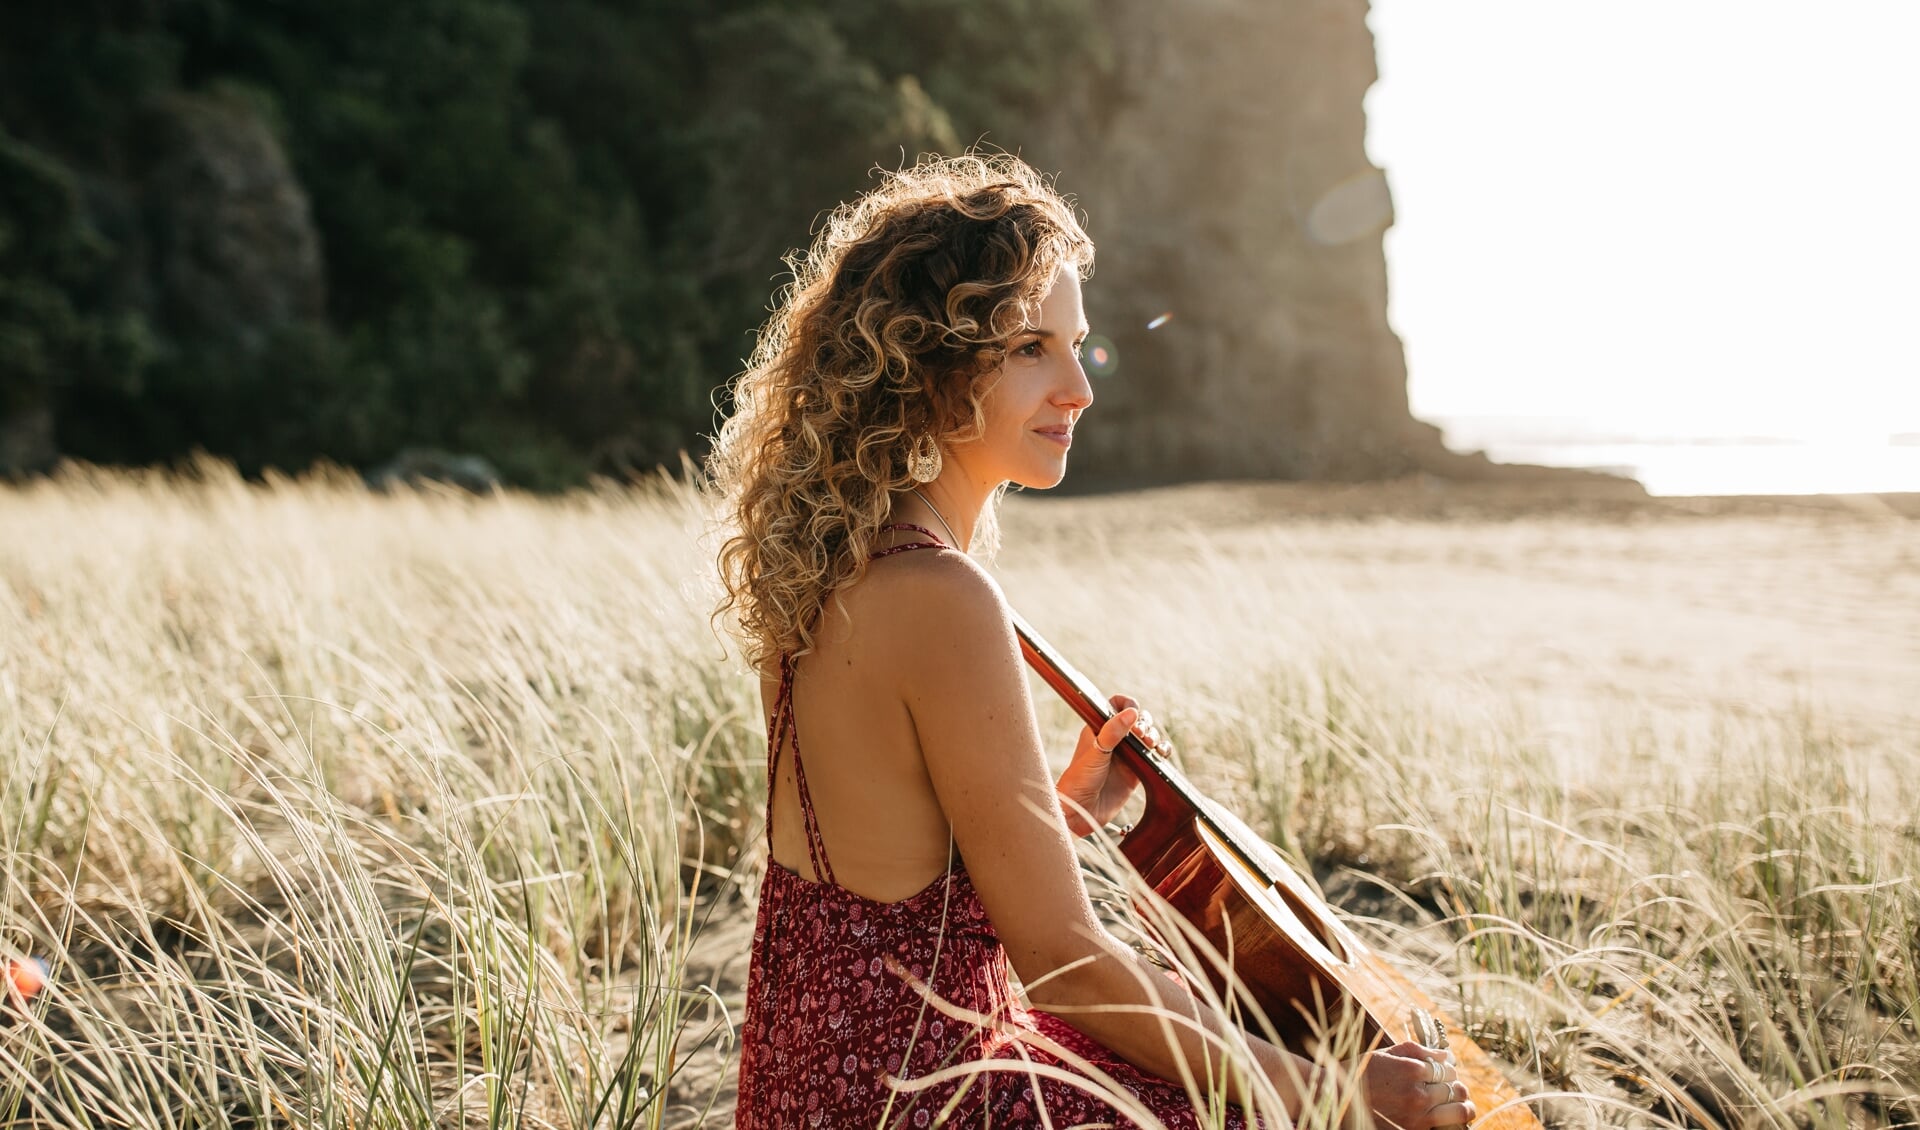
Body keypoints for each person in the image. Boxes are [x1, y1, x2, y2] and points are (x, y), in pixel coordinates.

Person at [706, 152, 1476, 1129]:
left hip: (812, 1087)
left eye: (1076, 343)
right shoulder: (945, 596)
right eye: (1032, 346)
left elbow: (894, 887)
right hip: (917, 1096)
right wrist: (1333, 1093)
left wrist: (1066, 808)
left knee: (1188, 1002)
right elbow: (1064, 964)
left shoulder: (830, 563)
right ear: (927, 361)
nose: (1079, 385)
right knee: (1252, 1095)